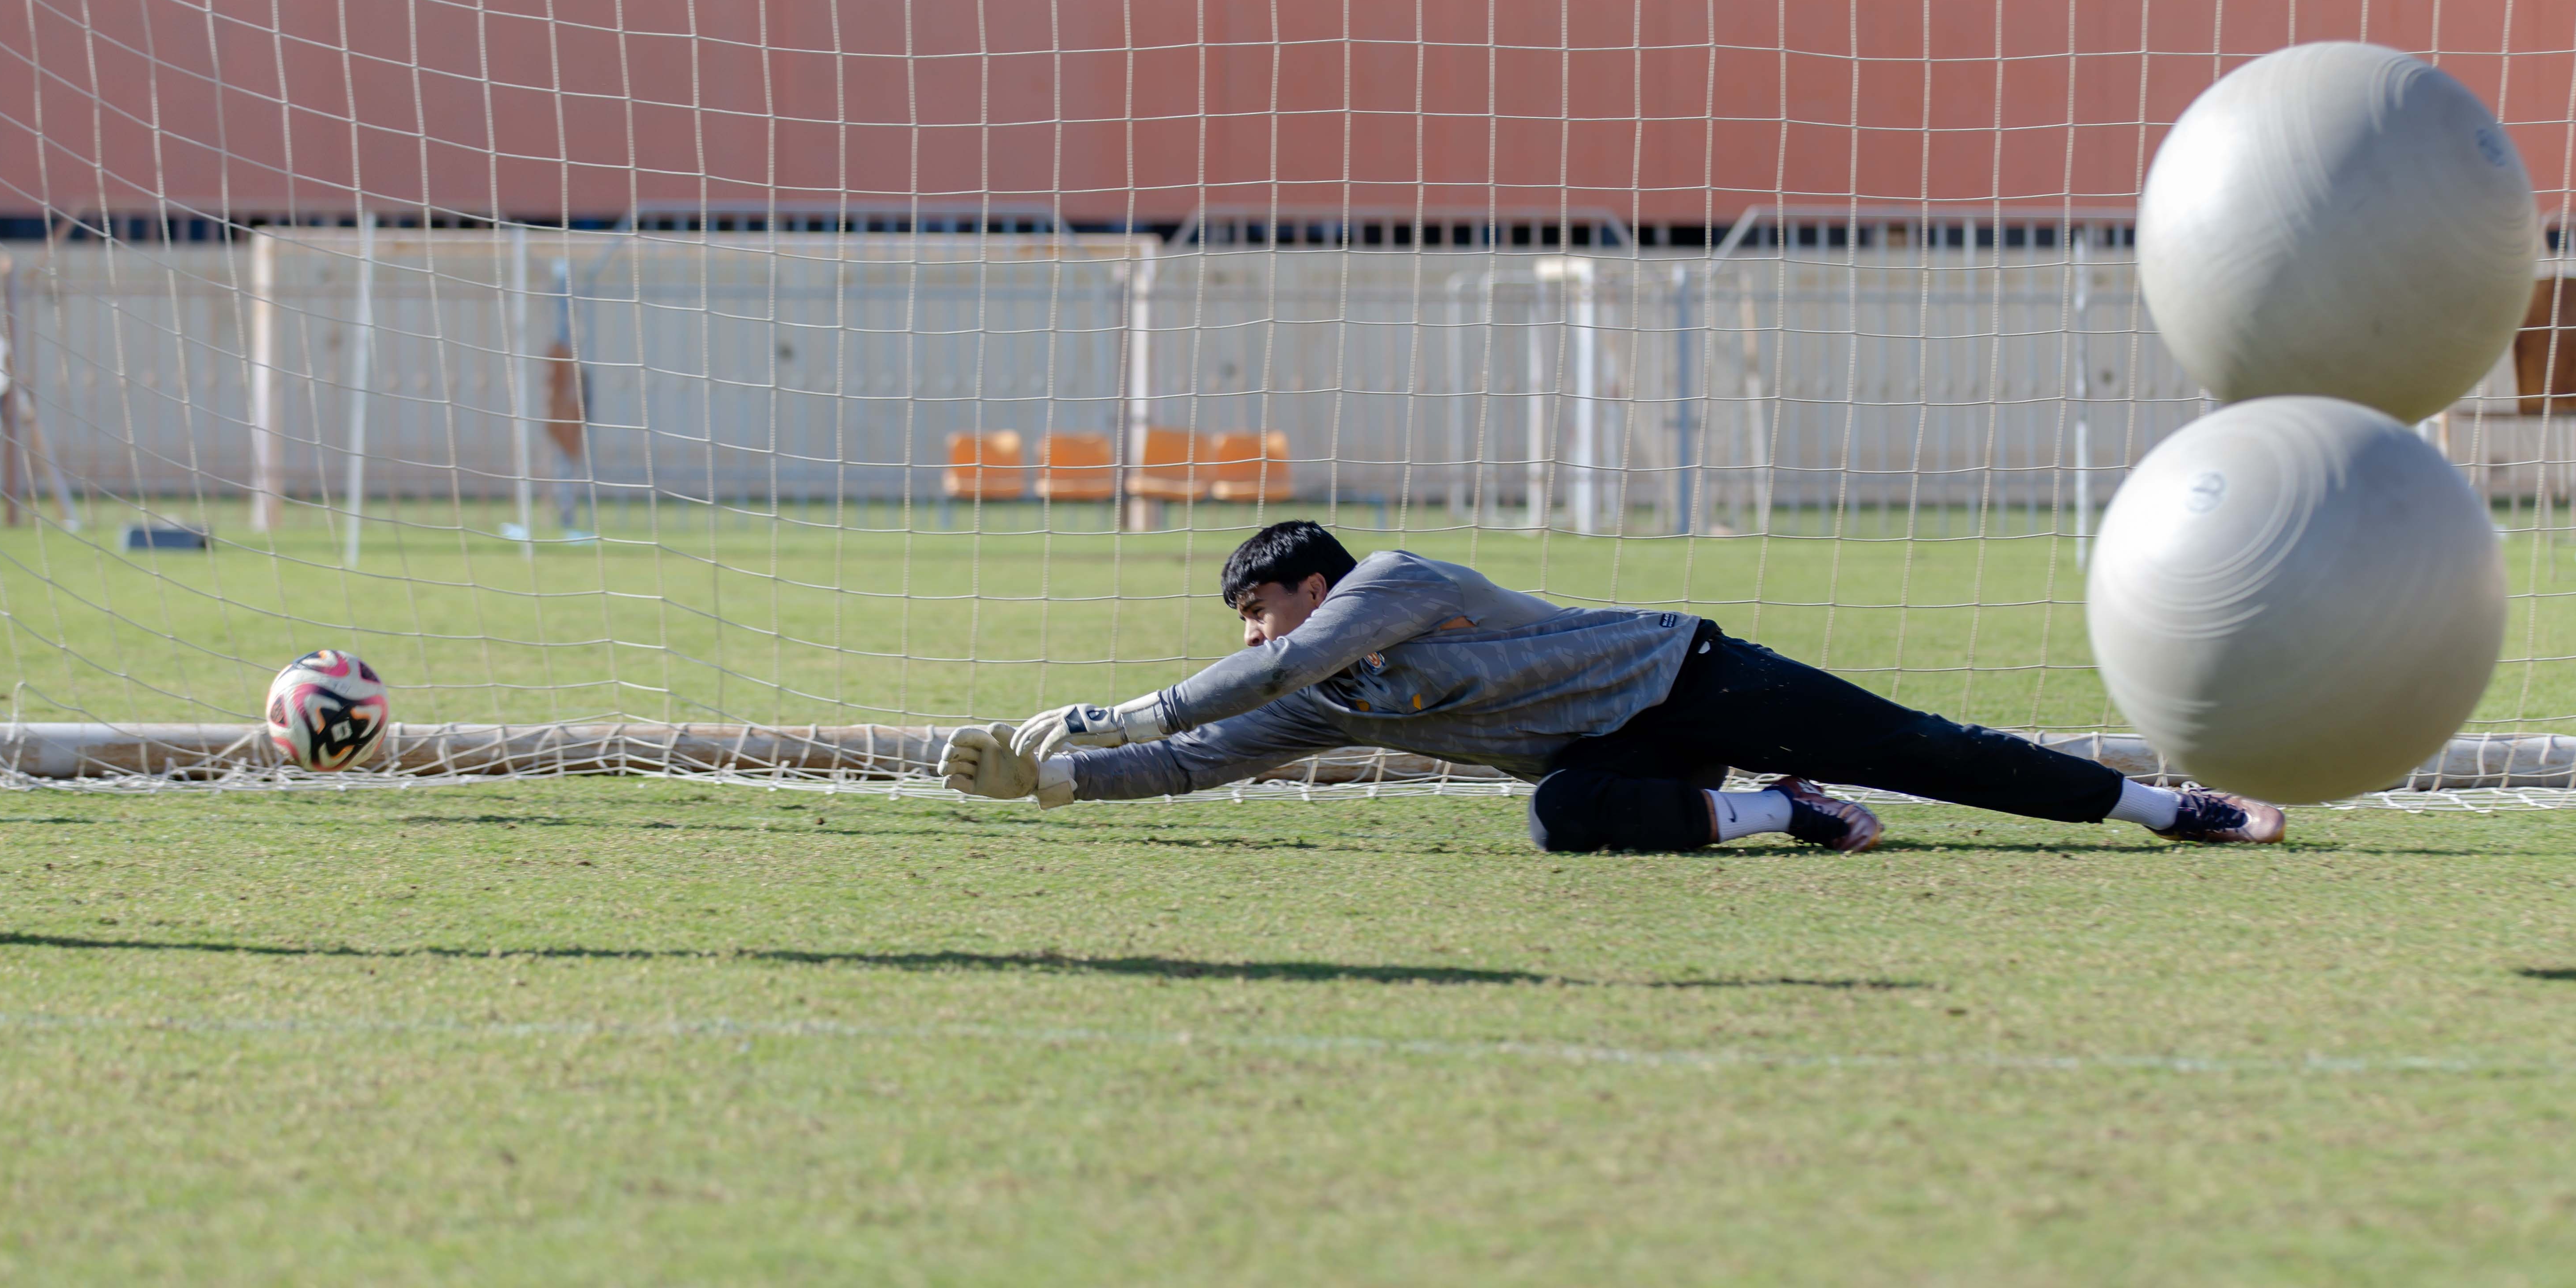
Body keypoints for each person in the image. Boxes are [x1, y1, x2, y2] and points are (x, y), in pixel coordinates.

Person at [941, 518, 2283, 852]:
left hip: (1683, 674)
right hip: (1630, 756)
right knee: (1557, 820)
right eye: (1236, 622)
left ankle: (2173, 812)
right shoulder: (1311, 703)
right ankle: (1786, 816)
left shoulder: (1391, 583)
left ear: (1310, 583)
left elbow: (1285, 664)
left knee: (1921, 746)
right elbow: (1199, 760)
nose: (1251, 639)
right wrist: (1056, 778)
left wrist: (1118, 709)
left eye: (1255, 607)